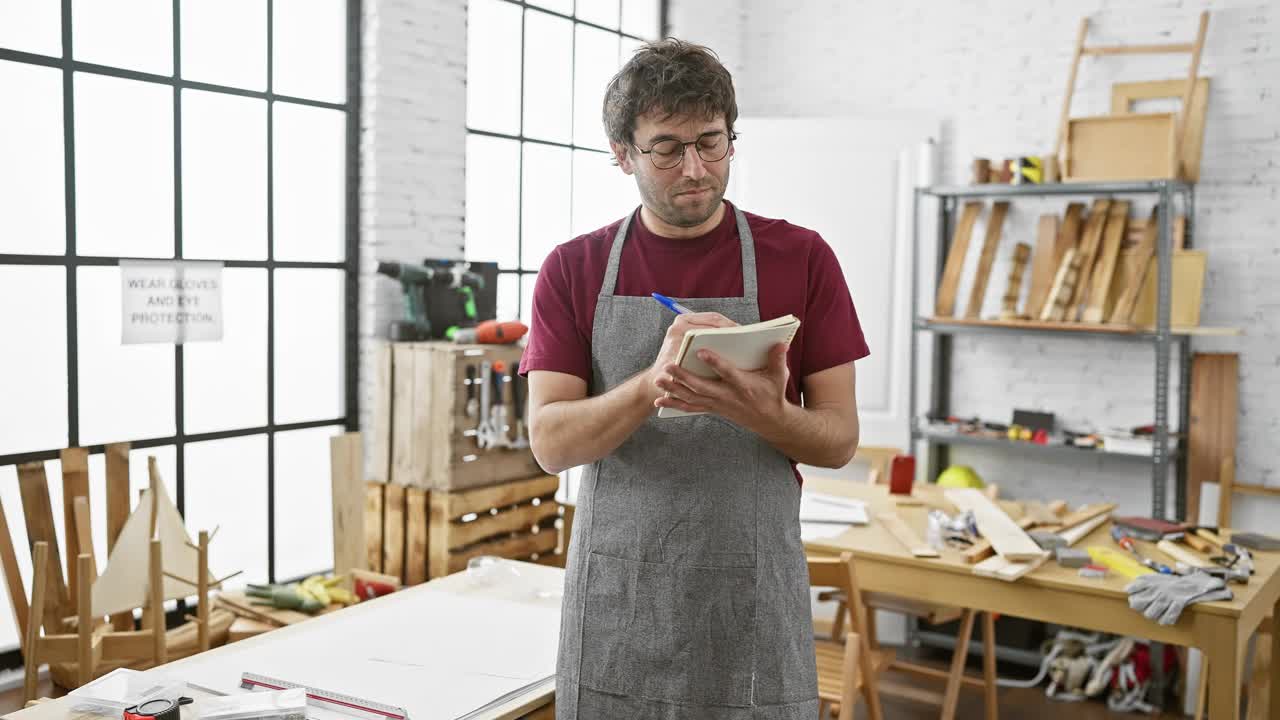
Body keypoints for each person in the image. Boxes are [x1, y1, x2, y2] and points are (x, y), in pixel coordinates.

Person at [521, 38, 870, 719]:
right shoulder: (574, 268)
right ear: (622, 154)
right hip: (621, 594)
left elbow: (837, 440)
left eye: (712, 142)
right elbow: (551, 443)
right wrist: (653, 382)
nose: (695, 168)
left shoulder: (800, 258)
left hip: (750, 595)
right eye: (666, 147)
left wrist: (763, 411)